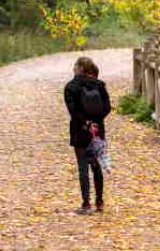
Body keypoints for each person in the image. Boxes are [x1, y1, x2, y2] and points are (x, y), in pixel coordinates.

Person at [63, 55, 111, 214]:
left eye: (75, 66)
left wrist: (85, 123)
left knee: (83, 167)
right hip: (97, 130)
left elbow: (73, 111)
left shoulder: (71, 87)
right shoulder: (99, 85)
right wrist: (96, 121)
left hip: (80, 130)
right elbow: (107, 107)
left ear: (80, 68)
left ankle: (85, 203)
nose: (73, 69)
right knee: (96, 165)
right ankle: (99, 201)